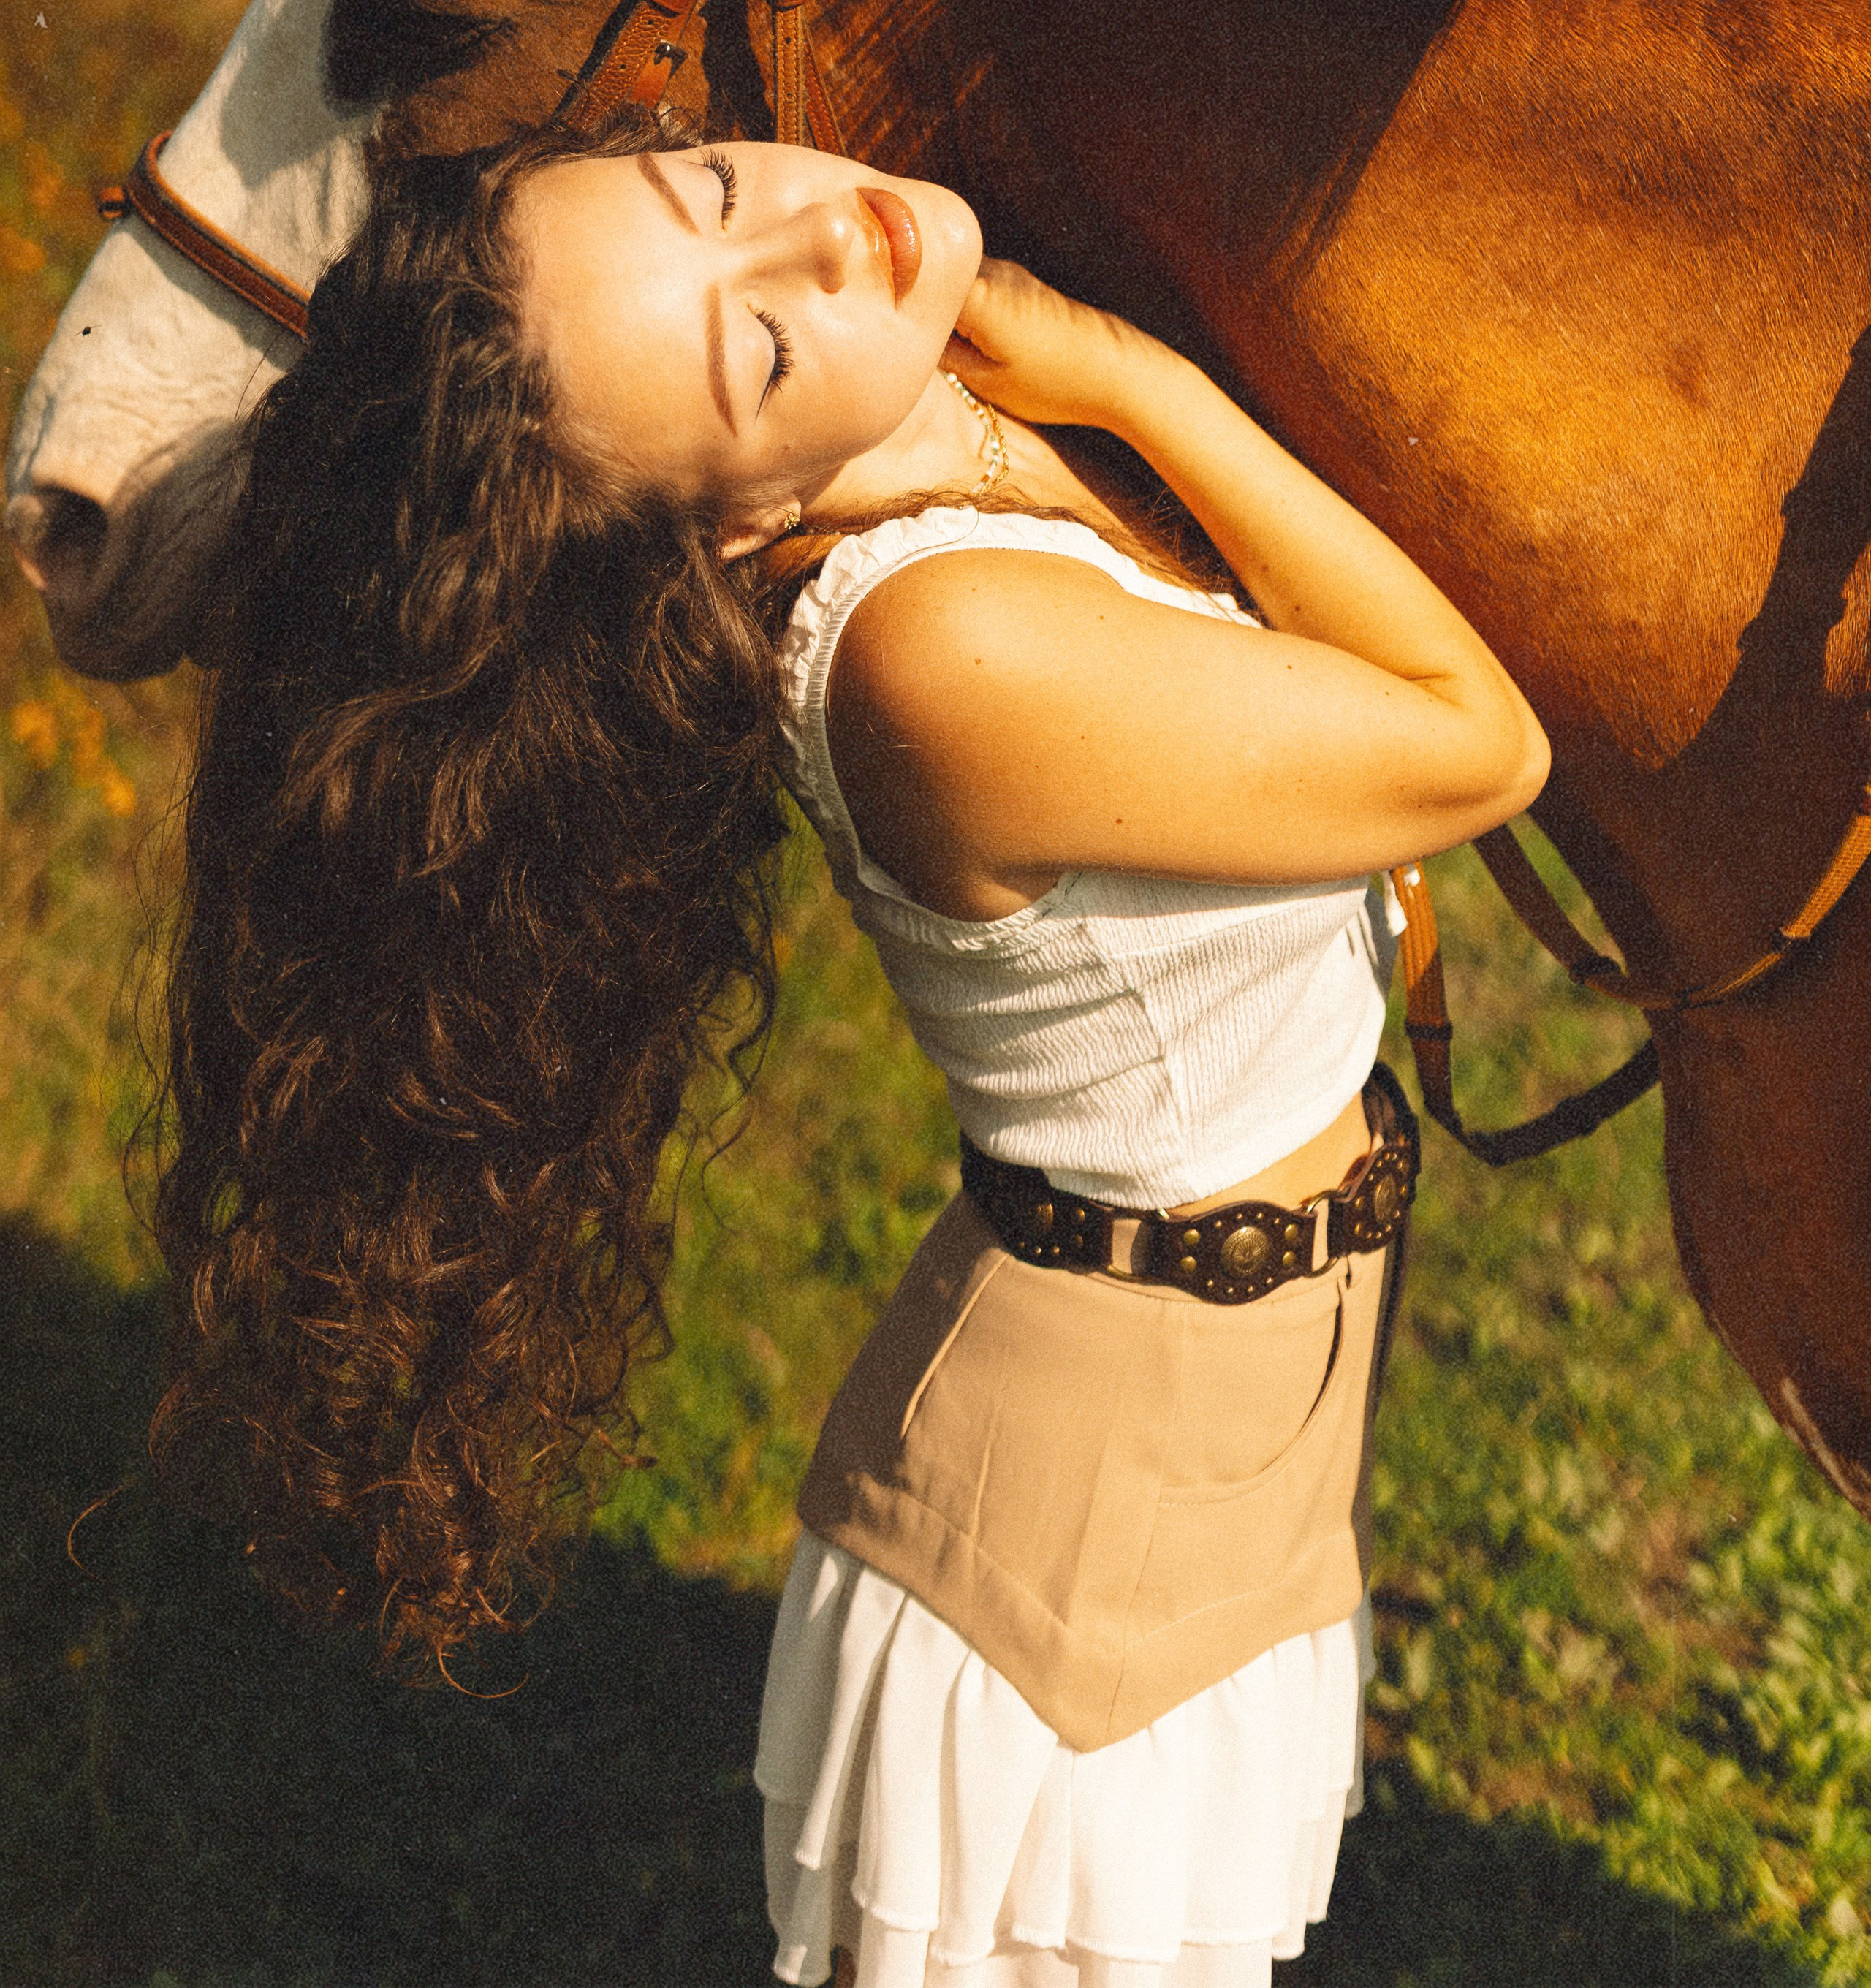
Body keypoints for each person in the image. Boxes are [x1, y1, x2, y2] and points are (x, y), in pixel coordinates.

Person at [153, 112, 1547, 1988]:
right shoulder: (935, 652)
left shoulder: (918, 459)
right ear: (727, 523)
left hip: (1243, 1443)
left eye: (711, 188)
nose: (828, 241)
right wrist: (1129, 381)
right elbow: (1475, 750)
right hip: (1065, 1559)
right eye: (766, 352)